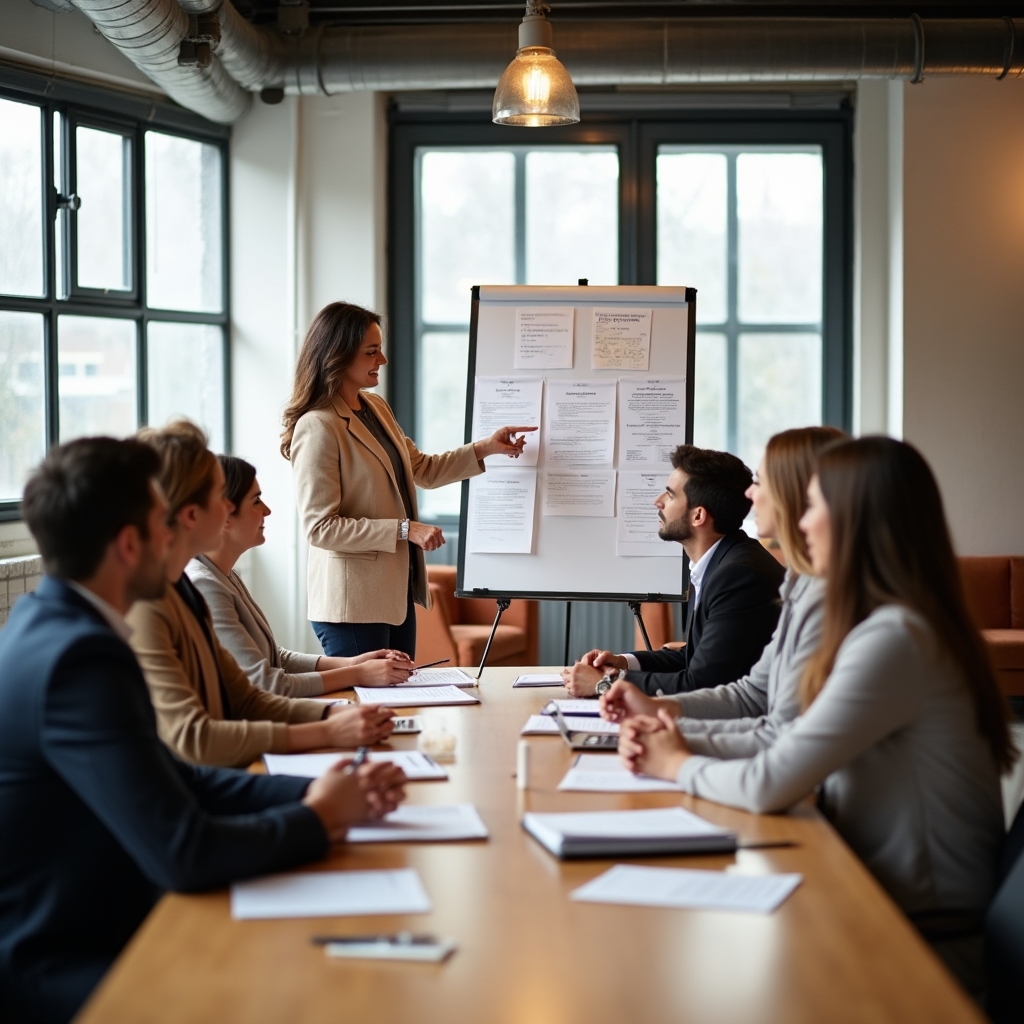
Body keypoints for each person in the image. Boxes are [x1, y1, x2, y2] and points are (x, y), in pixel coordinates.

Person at [0, 437, 406, 1024]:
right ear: (128, 545)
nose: (173, 536)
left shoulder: (54, 624)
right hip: (65, 960)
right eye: (157, 522)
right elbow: (182, 852)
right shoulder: (78, 661)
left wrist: (328, 792)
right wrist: (317, 818)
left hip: (106, 915)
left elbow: (174, 778)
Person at [616, 436, 1014, 993]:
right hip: (875, 896)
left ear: (854, 519)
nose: (803, 524)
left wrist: (673, 761)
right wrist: (664, 724)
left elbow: (772, 776)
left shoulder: (894, 639)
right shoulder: (884, 622)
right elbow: (770, 718)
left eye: (816, 506)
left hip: (919, 941)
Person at [128, 421, 395, 769]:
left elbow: (249, 697)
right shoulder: (176, 594)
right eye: (220, 498)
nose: (265, 510)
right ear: (193, 514)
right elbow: (201, 737)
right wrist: (330, 727)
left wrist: (334, 714)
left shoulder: (188, 589)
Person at [282, 302, 536, 659]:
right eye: (371, 352)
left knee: (402, 705)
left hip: (394, 598)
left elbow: (424, 469)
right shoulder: (318, 425)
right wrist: (405, 529)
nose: (382, 360)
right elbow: (321, 528)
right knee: (371, 708)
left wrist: (485, 448)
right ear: (337, 356)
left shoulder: (375, 408)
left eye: (380, 349)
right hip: (352, 607)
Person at [600, 426, 844, 756]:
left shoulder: (741, 574)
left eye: (760, 482)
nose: (750, 495)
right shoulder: (794, 584)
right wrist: (626, 673)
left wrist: (613, 684)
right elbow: (750, 693)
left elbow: (723, 692)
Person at [562, 444, 785, 697]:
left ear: (698, 515)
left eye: (669, 495)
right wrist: (623, 663)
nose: (657, 501)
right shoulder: (724, 561)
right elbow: (695, 656)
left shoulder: (738, 576)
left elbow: (700, 684)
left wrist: (605, 684)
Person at [188, 455, 414, 698]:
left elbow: (276, 658)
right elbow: (266, 685)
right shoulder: (205, 585)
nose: (267, 510)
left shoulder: (223, 574)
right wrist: (359, 674)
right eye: (256, 501)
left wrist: (354, 663)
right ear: (224, 515)